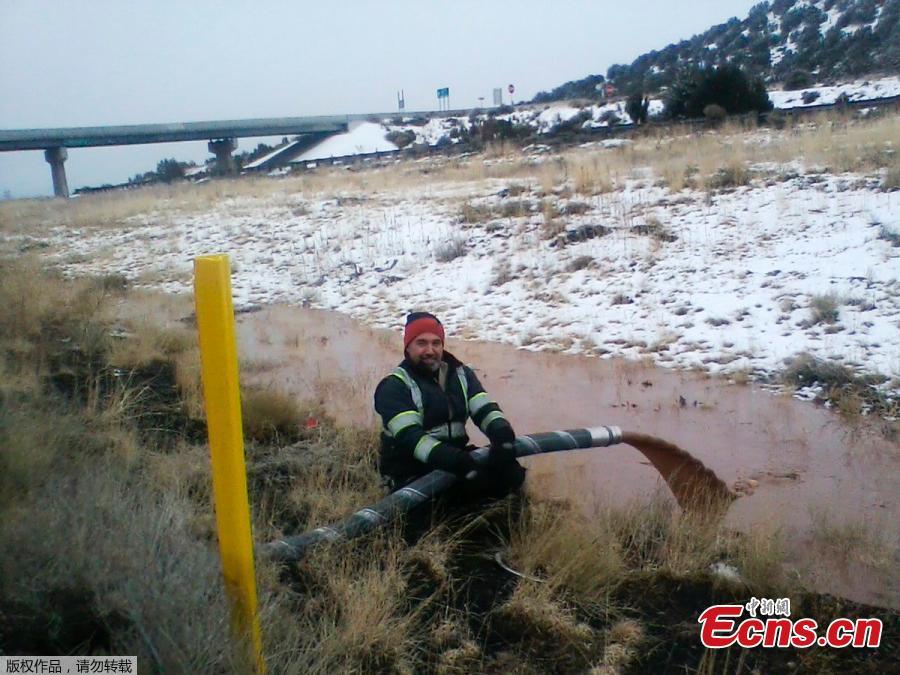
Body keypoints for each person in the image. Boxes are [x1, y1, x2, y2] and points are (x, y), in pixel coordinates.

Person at [373, 311, 526, 498]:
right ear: (408, 347)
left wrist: (502, 434)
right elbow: (412, 439)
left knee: (512, 474)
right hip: (410, 471)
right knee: (455, 501)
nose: (430, 351)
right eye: (421, 343)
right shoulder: (394, 386)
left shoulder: (461, 374)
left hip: (455, 458)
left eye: (436, 343)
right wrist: (460, 463)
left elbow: (485, 410)